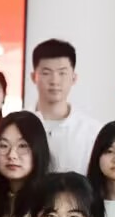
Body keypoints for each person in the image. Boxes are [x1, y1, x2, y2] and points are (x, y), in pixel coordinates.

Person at [31, 39, 100, 173]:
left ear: (74, 78)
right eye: (46, 73)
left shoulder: (92, 132)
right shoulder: (16, 126)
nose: (54, 81)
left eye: (62, 73)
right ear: (34, 77)